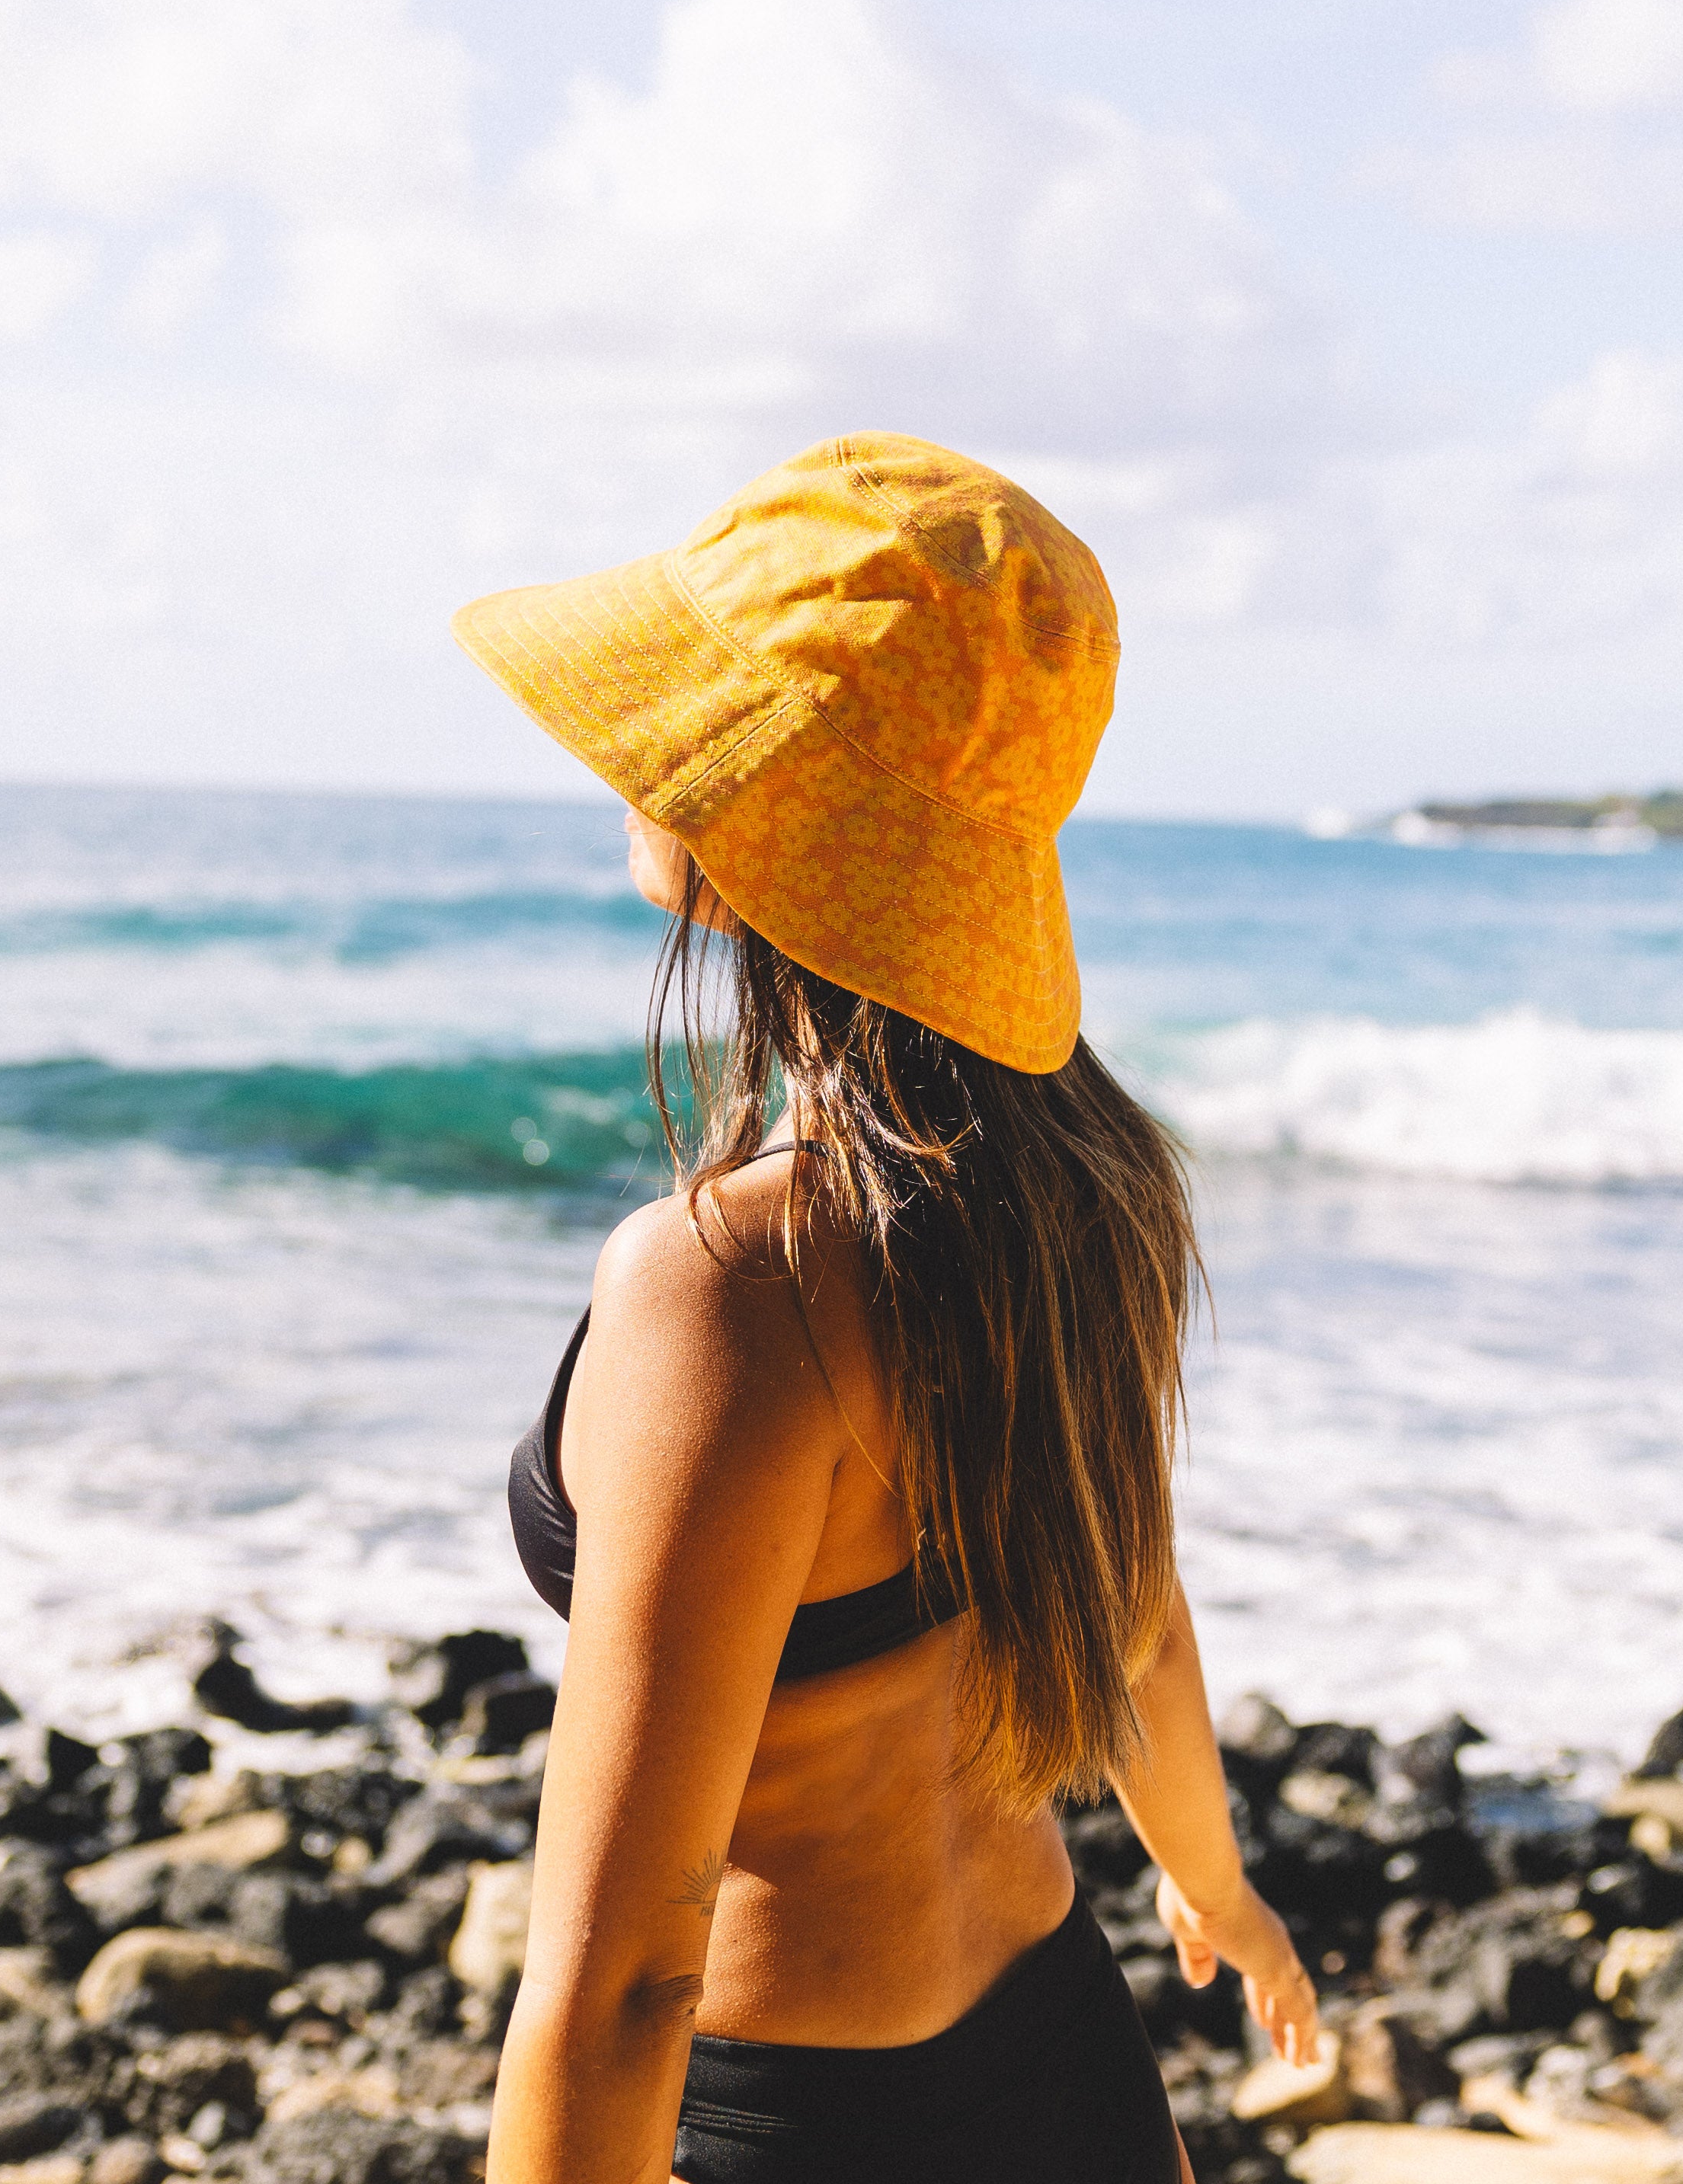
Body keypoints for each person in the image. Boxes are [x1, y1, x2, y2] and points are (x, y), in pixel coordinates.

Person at [456, 433, 1323, 2184]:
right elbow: (1134, 1606)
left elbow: (625, 1981)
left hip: (805, 2130)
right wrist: (1218, 1886)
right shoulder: (1081, 1190)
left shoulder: (725, 1283)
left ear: (753, 806)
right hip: (1068, 2065)